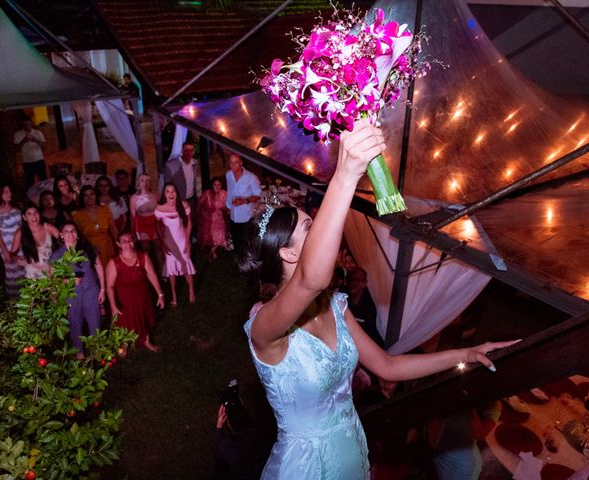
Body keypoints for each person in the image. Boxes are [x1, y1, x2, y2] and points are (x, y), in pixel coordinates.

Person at [238, 120, 519, 480]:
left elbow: (386, 366)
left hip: (352, 453)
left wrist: (463, 354)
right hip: (305, 469)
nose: (327, 228)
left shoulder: (335, 306)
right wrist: (345, 172)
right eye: (312, 226)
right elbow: (311, 278)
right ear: (289, 256)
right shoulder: (264, 328)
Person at [51, 221, 105, 360]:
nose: (70, 233)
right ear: (62, 235)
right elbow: (52, 279)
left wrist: (103, 289)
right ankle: (79, 350)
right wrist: (68, 281)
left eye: (73, 230)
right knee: (75, 322)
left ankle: (96, 348)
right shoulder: (57, 256)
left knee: (95, 320)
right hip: (71, 294)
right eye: (66, 231)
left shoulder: (87, 249)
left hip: (90, 290)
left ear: (77, 234)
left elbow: (99, 267)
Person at [105, 231, 164, 352]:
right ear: (118, 244)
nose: (127, 243)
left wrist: (160, 294)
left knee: (144, 318)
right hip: (124, 300)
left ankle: (146, 340)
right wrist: (113, 306)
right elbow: (109, 286)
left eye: (129, 240)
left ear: (134, 241)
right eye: (123, 241)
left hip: (142, 296)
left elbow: (152, 275)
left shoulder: (144, 257)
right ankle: (124, 345)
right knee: (125, 322)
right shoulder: (113, 262)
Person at [154, 183, 196, 306]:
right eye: (167, 191)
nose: (171, 193)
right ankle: (174, 296)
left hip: (182, 240)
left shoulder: (183, 205)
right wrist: (163, 243)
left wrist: (188, 241)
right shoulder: (160, 208)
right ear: (164, 194)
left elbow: (189, 222)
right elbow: (157, 227)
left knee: (186, 265)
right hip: (169, 242)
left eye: (173, 191)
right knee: (171, 269)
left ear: (176, 193)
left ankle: (191, 291)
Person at [0, 184, 24, 297]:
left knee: (23, 269)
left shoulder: (16, 209)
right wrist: (5, 252)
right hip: (6, 245)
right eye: (6, 192)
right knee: (12, 273)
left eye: (10, 191)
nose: (9, 194)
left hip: (20, 244)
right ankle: (14, 301)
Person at [72, 186, 118, 267]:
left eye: (92, 194)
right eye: (86, 195)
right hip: (90, 250)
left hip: (106, 248)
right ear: (82, 198)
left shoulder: (105, 209)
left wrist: (120, 244)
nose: (89, 197)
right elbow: (78, 237)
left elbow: (113, 229)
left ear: (96, 195)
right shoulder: (77, 215)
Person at [226, 153, 261, 253]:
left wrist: (244, 200)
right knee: (236, 242)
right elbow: (229, 191)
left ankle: (247, 264)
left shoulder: (251, 177)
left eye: (236, 162)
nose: (233, 165)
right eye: (231, 163)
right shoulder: (228, 175)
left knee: (246, 245)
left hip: (246, 218)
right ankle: (239, 263)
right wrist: (228, 206)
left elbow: (257, 195)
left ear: (241, 163)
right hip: (233, 216)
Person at [14, 204, 59, 279]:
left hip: (51, 271)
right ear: (24, 217)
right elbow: (11, 255)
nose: (34, 216)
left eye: (36, 213)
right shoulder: (20, 232)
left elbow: (63, 241)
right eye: (29, 214)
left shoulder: (48, 227)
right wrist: (19, 259)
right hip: (32, 274)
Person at [197, 176, 228, 260]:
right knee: (210, 237)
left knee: (220, 234)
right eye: (215, 185)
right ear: (212, 185)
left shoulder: (224, 193)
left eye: (219, 185)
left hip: (219, 218)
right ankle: (211, 250)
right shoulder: (207, 193)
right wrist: (199, 215)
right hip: (208, 217)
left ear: (221, 185)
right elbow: (199, 204)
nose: (217, 187)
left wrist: (226, 210)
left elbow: (227, 206)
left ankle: (211, 251)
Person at [13, 117, 46, 188]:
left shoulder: (38, 133)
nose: (26, 126)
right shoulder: (18, 134)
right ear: (22, 125)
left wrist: (36, 140)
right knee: (29, 183)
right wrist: (23, 141)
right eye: (24, 124)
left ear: (31, 123)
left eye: (28, 124)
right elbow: (16, 148)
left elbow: (44, 146)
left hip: (39, 160)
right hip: (27, 162)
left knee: (44, 181)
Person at [130, 173, 159, 253]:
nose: (145, 183)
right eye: (142, 180)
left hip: (155, 224)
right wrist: (133, 232)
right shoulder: (134, 198)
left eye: (147, 180)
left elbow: (161, 212)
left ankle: (163, 265)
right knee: (145, 250)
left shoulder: (156, 195)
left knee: (159, 248)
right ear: (138, 183)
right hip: (142, 226)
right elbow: (132, 216)